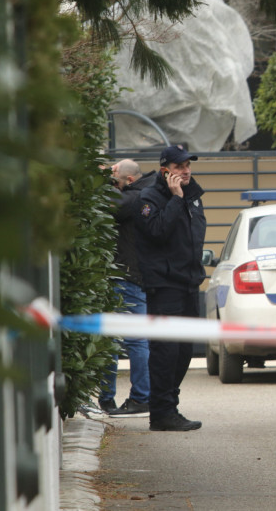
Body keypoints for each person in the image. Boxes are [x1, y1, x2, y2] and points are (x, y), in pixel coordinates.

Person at [135, 144, 207, 432]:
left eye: (188, 165)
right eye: (179, 167)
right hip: (164, 286)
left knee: (183, 351)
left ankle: (169, 406)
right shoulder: (149, 198)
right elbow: (157, 231)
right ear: (166, 170)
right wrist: (176, 198)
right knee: (166, 351)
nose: (186, 170)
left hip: (188, 283)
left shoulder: (194, 196)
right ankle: (161, 413)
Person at [98, 159, 155, 416]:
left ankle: (136, 397)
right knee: (133, 339)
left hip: (127, 277)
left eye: (116, 179)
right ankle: (128, 397)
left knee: (128, 339)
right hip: (133, 275)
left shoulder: (134, 197)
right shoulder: (146, 192)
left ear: (129, 180)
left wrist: (102, 180)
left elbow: (113, 207)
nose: (113, 182)